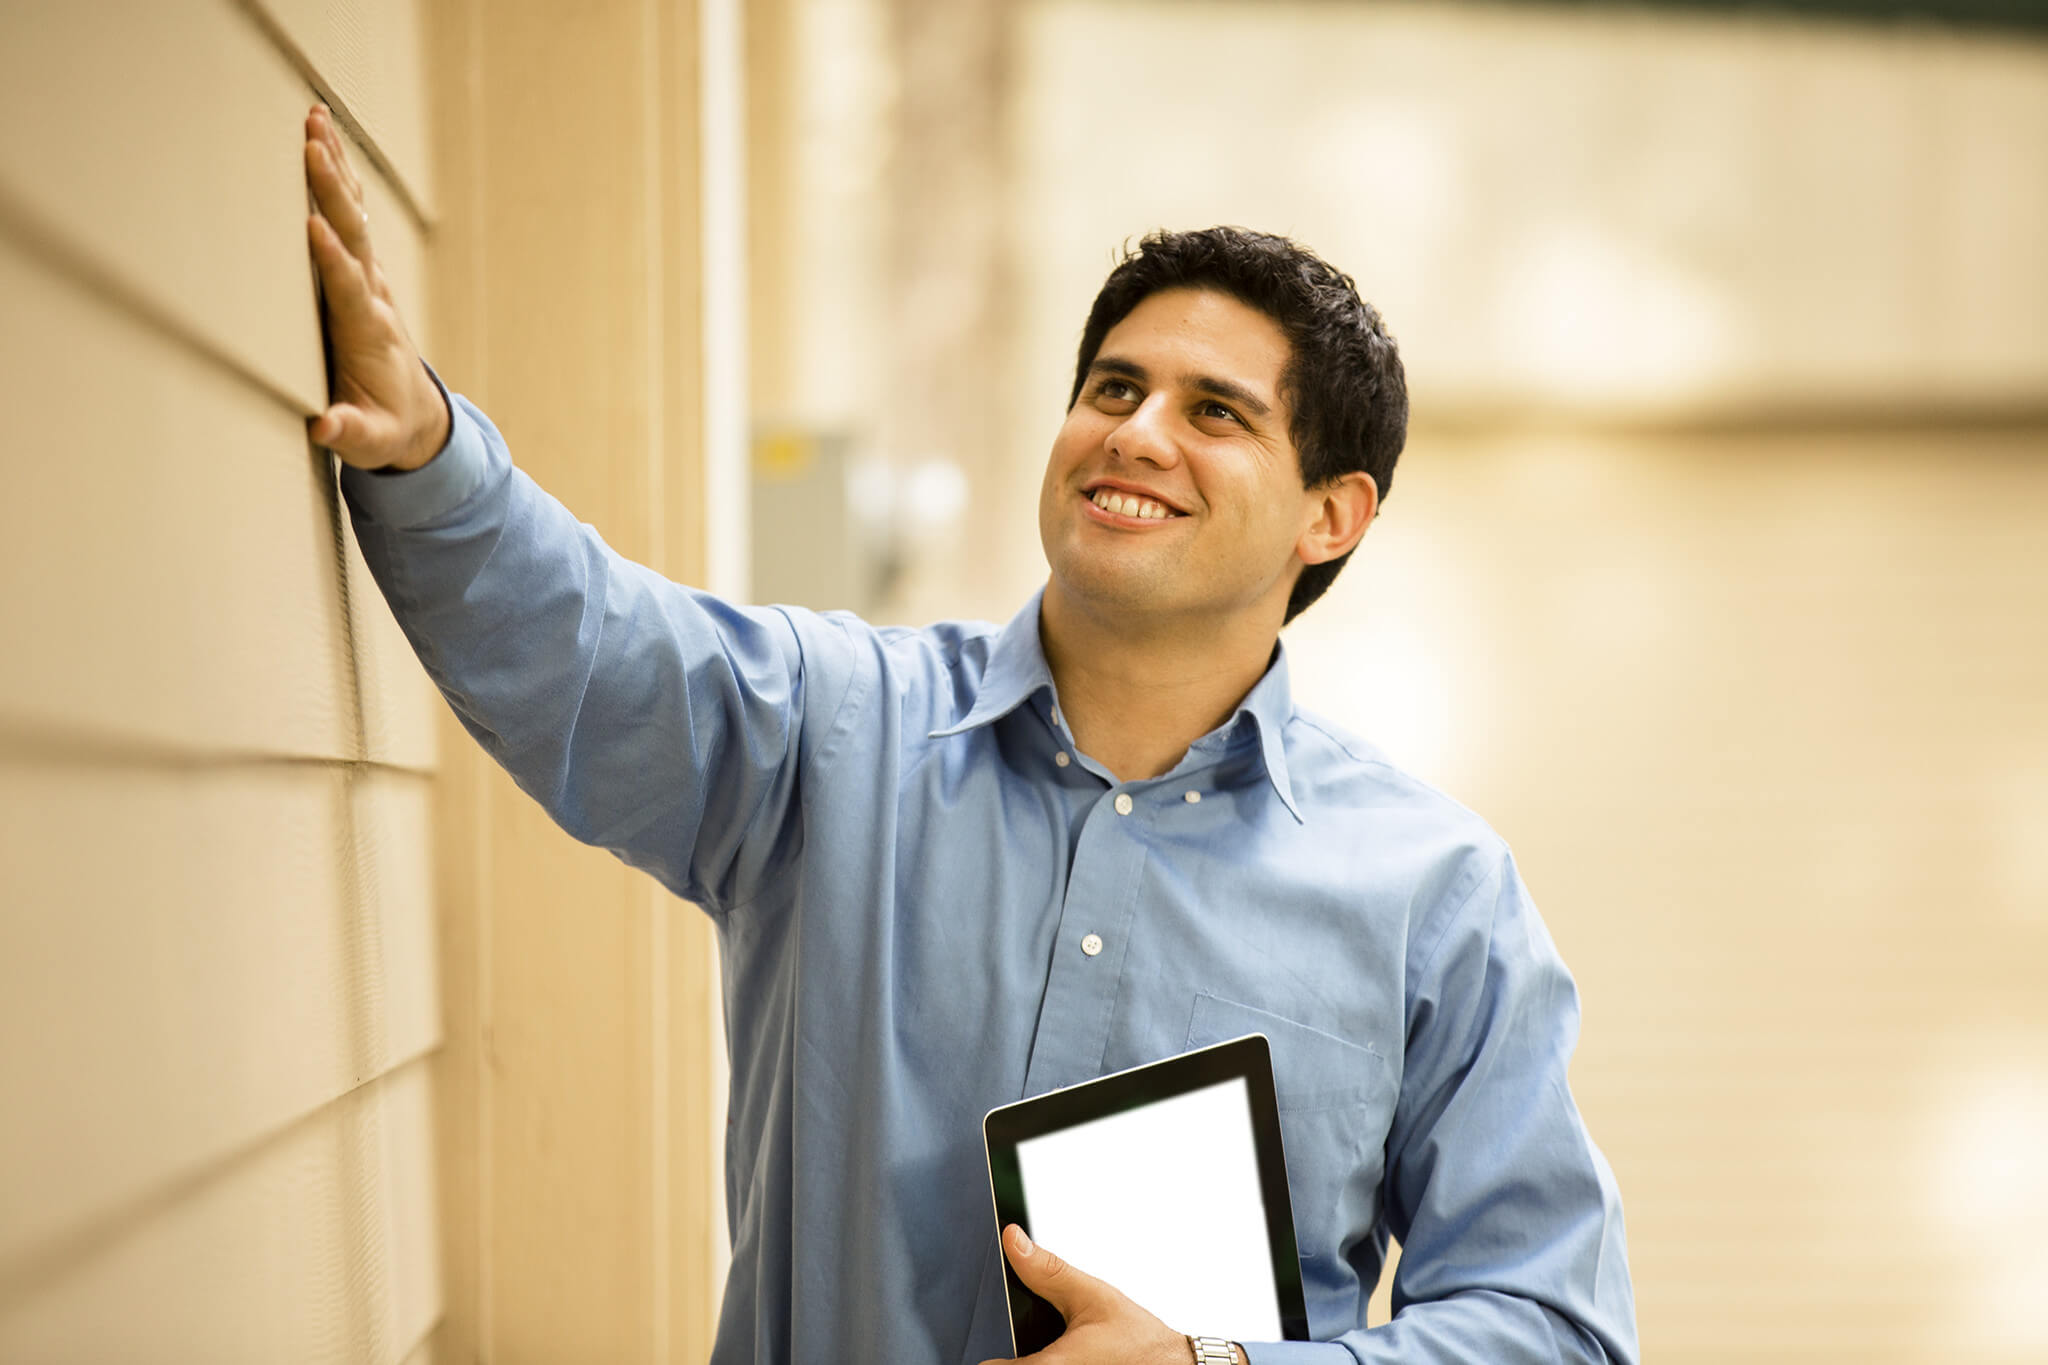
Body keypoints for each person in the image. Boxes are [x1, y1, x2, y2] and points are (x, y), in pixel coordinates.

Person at [303, 103, 1637, 1365]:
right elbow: (591, 646)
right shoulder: (832, 732)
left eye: (1214, 412)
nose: (1136, 434)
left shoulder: (1434, 897)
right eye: (1113, 389)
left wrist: (1212, 1363)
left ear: (1330, 517)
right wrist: (424, 448)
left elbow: (1552, 1325)